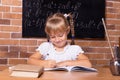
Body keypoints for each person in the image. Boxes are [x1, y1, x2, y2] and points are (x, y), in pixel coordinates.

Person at [27, 13, 92, 68]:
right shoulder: (46, 47)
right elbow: (30, 60)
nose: (57, 40)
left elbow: (88, 64)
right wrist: (44, 63)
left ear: (67, 31)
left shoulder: (74, 50)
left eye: (60, 35)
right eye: (52, 37)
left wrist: (66, 63)